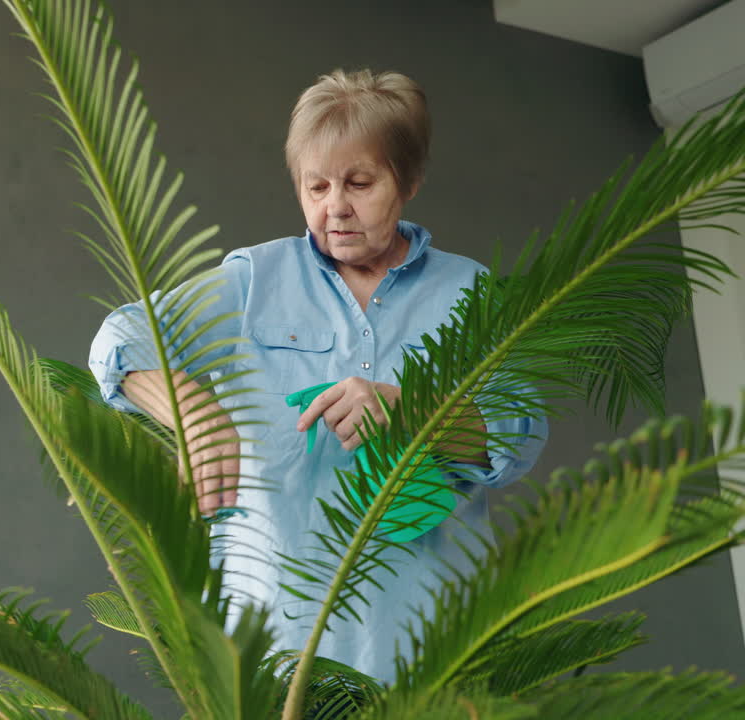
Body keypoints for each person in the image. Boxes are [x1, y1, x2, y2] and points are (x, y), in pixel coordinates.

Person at [87, 69, 548, 683]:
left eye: (360, 183)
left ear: (408, 181)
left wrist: (412, 411)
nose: (335, 207)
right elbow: (120, 339)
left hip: (434, 643)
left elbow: (520, 433)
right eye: (316, 186)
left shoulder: (470, 293)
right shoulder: (254, 280)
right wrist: (194, 415)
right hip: (271, 650)